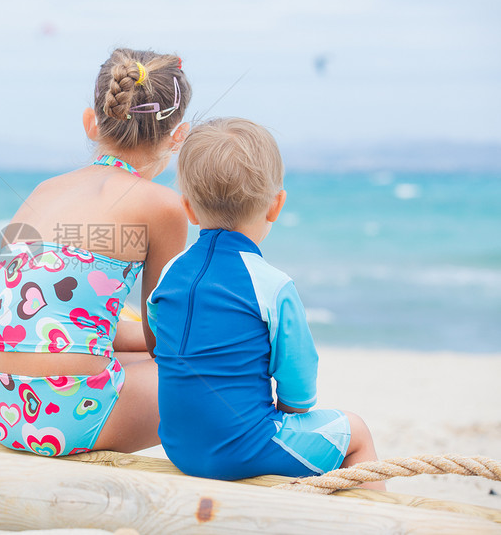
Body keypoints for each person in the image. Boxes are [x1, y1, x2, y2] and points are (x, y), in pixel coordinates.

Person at [148, 117, 384, 489]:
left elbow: (162, 341)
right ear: (276, 205)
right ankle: (370, 523)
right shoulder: (272, 285)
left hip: (179, 445)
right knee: (356, 433)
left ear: (189, 209)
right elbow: (299, 379)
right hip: (242, 450)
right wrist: (290, 415)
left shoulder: (170, 274)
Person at [0, 48, 192, 456]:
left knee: (125, 357)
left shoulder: (45, 191)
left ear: (91, 123)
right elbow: (161, 338)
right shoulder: (163, 207)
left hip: (3, 407)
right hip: (69, 418)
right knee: (209, 377)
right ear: (177, 136)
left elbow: (56, 323)